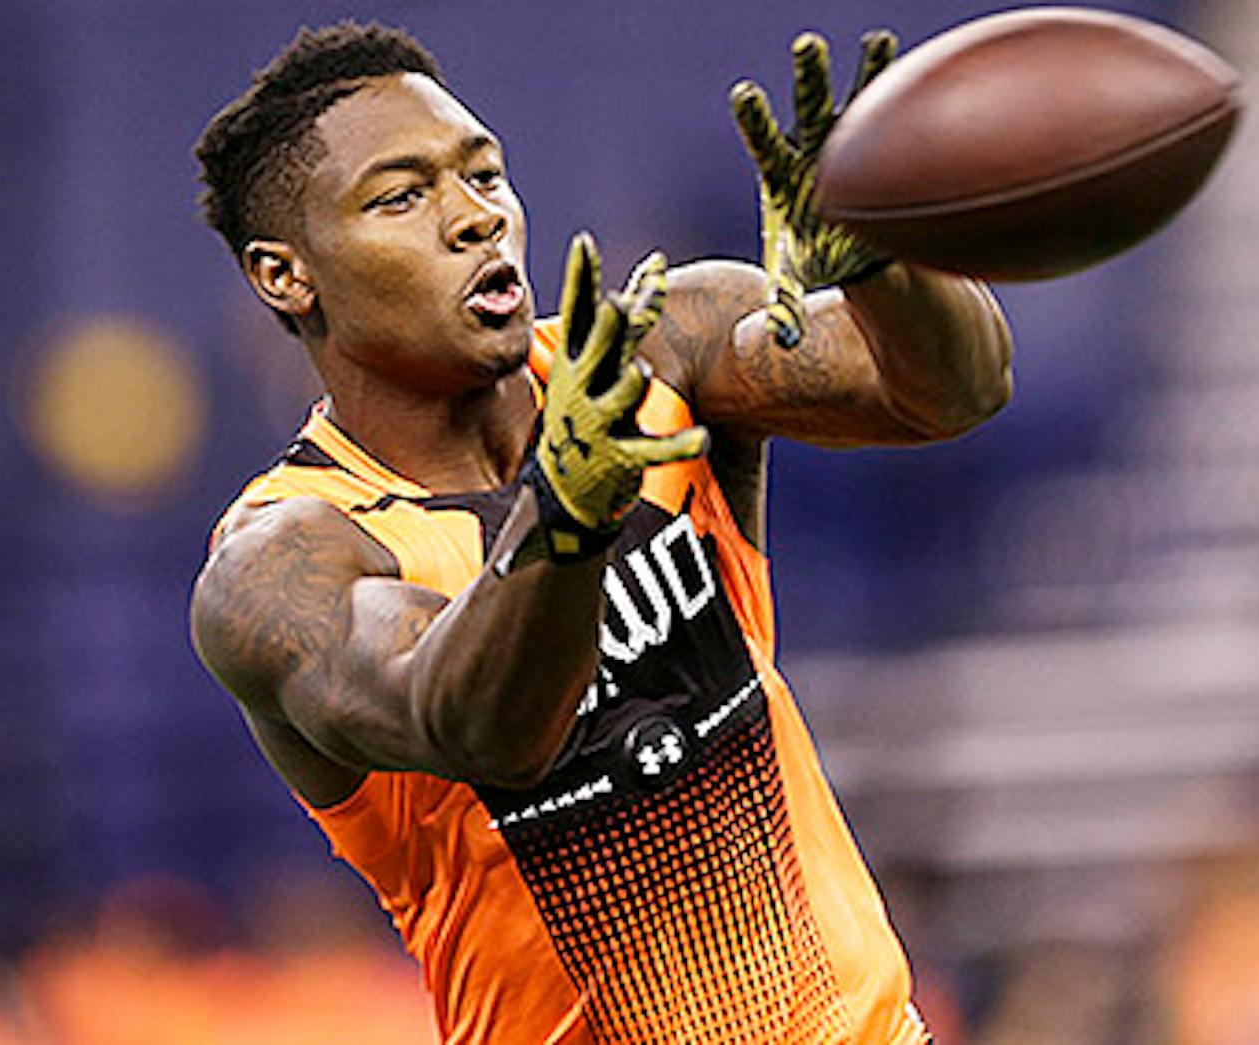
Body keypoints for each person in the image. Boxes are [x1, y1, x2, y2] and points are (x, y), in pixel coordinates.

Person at [189, 20, 1011, 1044]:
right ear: (285, 274)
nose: (472, 218)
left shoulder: (664, 348)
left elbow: (952, 392)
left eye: (482, 174)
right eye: (403, 197)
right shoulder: (279, 562)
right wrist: (564, 509)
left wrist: (889, 262)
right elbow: (479, 726)